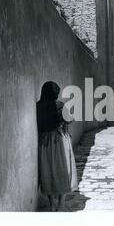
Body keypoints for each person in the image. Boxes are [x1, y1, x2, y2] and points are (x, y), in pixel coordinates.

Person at [36, 81, 78, 211]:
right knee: (63, 171)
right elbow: (69, 119)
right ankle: (61, 202)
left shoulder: (38, 106)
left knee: (48, 172)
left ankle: (52, 203)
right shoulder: (59, 105)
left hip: (44, 143)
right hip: (59, 141)